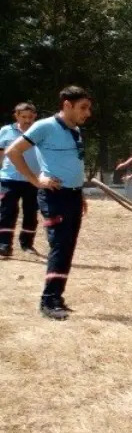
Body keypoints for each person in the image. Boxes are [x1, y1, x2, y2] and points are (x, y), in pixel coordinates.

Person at [4, 87, 92, 320]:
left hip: (72, 195)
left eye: (88, 108)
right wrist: (35, 180)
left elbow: (73, 164)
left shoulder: (76, 130)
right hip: (55, 196)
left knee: (68, 246)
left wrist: (80, 193)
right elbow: (13, 152)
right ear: (67, 104)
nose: (88, 113)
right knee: (60, 246)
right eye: (83, 107)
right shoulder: (45, 126)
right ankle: (48, 301)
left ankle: (57, 297)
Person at [0, 103, 41, 257]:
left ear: (35, 116)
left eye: (30, 117)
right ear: (16, 116)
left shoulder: (39, 132)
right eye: (23, 117)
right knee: (7, 211)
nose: (27, 120)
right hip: (9, 179)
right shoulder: (5, 131)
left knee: (31, 212)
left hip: (33, 179)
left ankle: (27, 245)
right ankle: (4, 245)